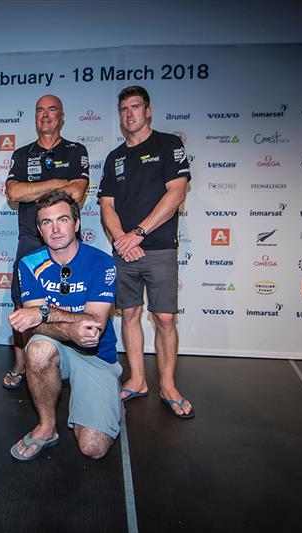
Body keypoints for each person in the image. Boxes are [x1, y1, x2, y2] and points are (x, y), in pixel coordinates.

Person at [97, 85, 193, 418]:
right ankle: (137, 379)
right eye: (124, 108)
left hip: (159, 247)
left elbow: (176, 194)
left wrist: (138, 234)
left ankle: (168, 384)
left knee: (164, 317)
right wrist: (123, 238)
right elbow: (106, 205)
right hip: (125, 250)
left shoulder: (169, 144)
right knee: (131, 314)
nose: (129, 113)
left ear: (148, 111)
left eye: (135, 107)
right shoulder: (114, 158)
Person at [8, 191, 120, 461]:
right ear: (39, 229)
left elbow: (93, 328)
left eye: (62, 220)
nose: (55, 229)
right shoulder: (29, 263)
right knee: (38, 350)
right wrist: (67, 327)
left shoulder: (101, 262)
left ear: (77, 223)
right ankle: (47, 427)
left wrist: (44, 311)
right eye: (47, 222)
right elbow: (34, 326)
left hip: (96, 357)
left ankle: (105, 398)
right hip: (57, 346)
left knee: (93, 448)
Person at [4, 95, 89, 390]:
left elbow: (76, 193)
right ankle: (21, 363)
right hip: (30, 241)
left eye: (52, 110)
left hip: (66, 244)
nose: (46, 115)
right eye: (40, 110)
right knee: (21, 303)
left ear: (61, 116)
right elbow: (14, 193)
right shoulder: (23, 153)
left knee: (68, 301)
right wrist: (57, 183)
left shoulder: (76, 150)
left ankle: (70, 359)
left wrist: (36, 190)